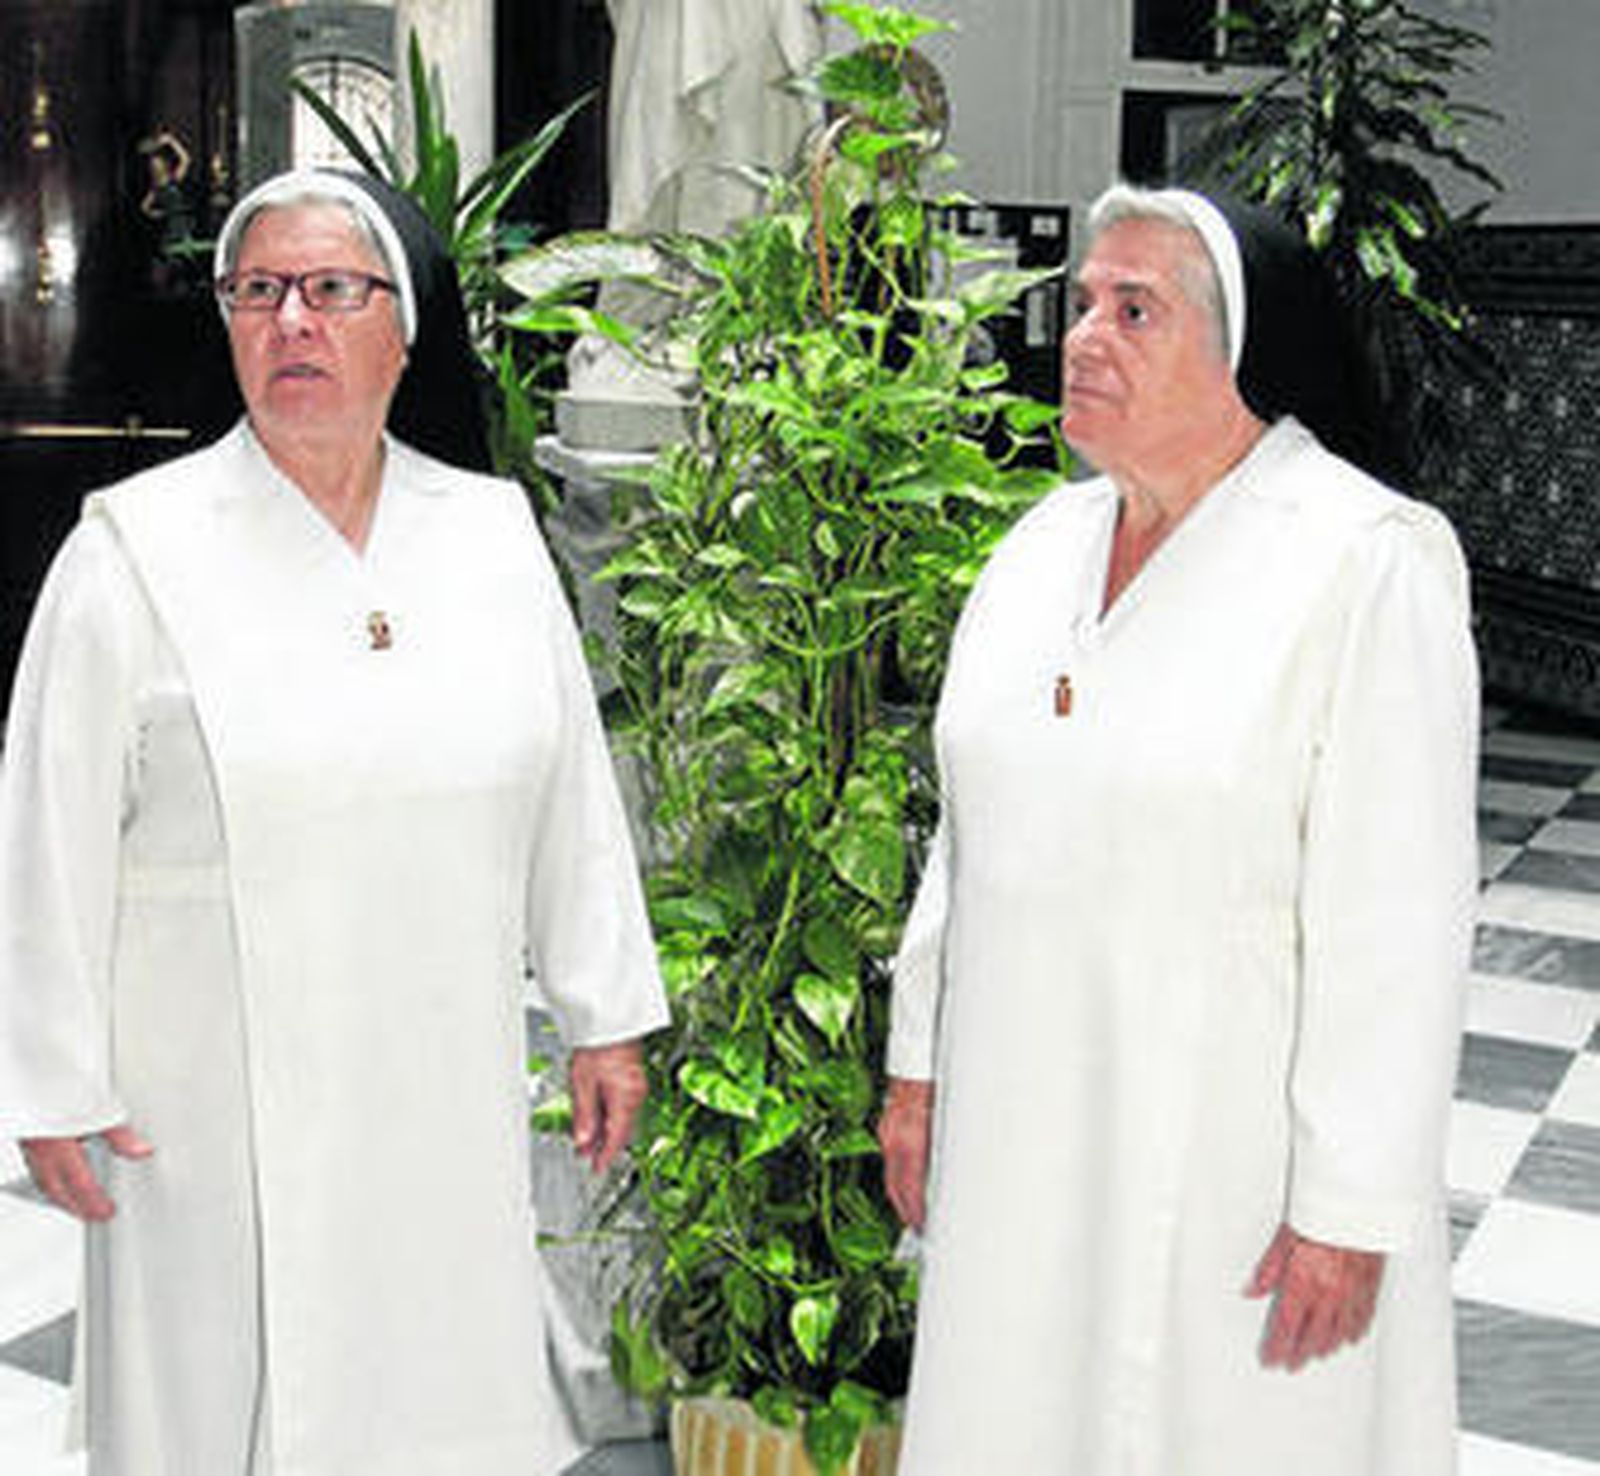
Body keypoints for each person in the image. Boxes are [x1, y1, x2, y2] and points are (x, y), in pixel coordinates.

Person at [0, 168, 669, 1474]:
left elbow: (568, 786)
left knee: (433, 1383)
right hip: (203, 1093)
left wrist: (605, 1017)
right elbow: (46, 828)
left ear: (402, 326)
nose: (291, 321)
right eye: (259, 292)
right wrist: (53, 1082)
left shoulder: (487, 534)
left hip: (436, 1076)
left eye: (329, 290)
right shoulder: (135, 548)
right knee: (216, 1401)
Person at [875, 183, 1478, 1474]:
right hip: (1025, 1122)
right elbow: (965, 838)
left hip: (1234, 1154)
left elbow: (1399, 918)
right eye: (1083, 303)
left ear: (1240, 353)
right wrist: (919, 1066)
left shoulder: (1366, 560)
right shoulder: (1037, 548)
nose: (1083, 335)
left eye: (1133, 310)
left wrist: (1351, 1206)